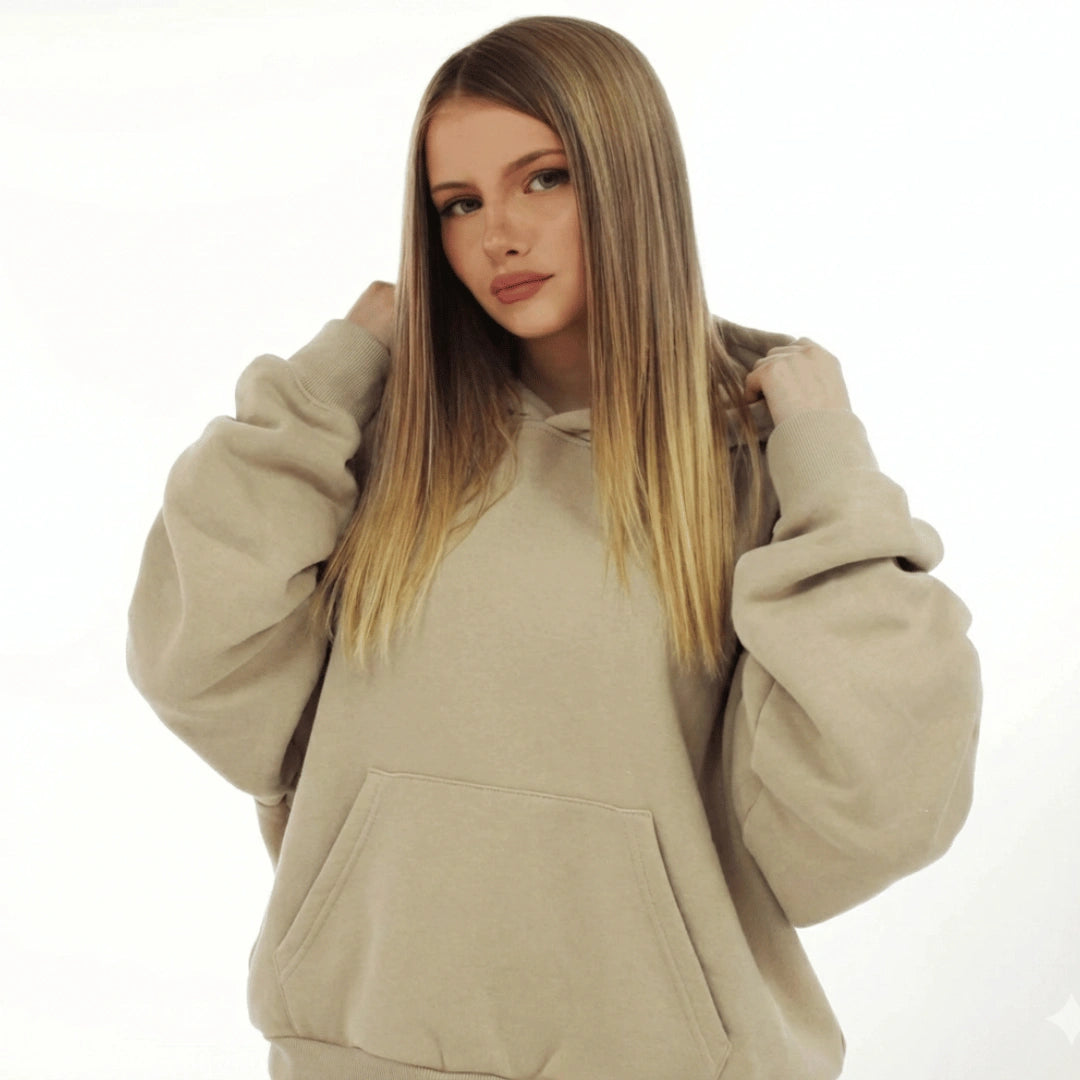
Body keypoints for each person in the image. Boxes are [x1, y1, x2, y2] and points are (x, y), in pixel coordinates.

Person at [126, 15, 982, 1080]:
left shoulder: (751, 457)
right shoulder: (383, 441)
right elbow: (195, 667)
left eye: (545, 179)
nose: (500, 235)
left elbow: (876, 808)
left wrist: (829, 466)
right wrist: (331, 378)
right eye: (460, 203)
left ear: (631, 180)